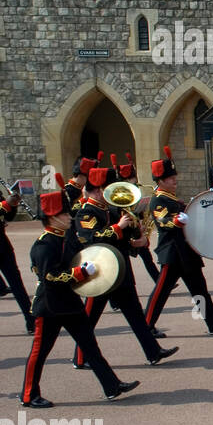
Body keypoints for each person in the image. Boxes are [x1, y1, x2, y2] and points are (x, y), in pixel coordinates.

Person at [20, 178, 140, 408]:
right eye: (65, 214)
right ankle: (28, 394)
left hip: (70, 302)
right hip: (50, 306)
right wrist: (80, 273)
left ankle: (111, 386)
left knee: (90, 345)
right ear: (53, 217)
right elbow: (51, 276)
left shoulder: (65, 237)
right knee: (40, 351)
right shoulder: (45, 245)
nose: (69, 217)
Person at [73, 165, 178, 368]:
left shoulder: (113, 210)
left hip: (121, 269)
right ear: (98, 189)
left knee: (135, 313)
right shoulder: (86, 213)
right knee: (88, 319)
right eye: (109, 188)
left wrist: (138, 240)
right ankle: (80, 357)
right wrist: (118, 227)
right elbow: (92, 239)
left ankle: (153, 351)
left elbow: (126, 240)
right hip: (100, 273)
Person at [142, 146, 213, 337]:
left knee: (199, 289)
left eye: (174, 177)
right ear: (160, 181)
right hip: (172, 252)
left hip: (185, 252)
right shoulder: (158, 200)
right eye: (170, 178)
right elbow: (163, 222)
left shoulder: (171, 198)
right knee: (161, 291)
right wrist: (175, 221)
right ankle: (146, 326)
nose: (174, 180)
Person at [113, 154, 159, 284]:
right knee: (123, 260)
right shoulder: (119, 193)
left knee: (146, 255)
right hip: (125, 229)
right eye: (133, 178)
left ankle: (158, 279)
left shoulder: (135, 190)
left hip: (135, 227)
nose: (135, 180)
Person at [0, 180, 34, 333]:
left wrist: (13, 204)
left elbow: (7, 217)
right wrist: (5, 205)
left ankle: (31, 320)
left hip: (2, 245)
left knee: (17, 284)